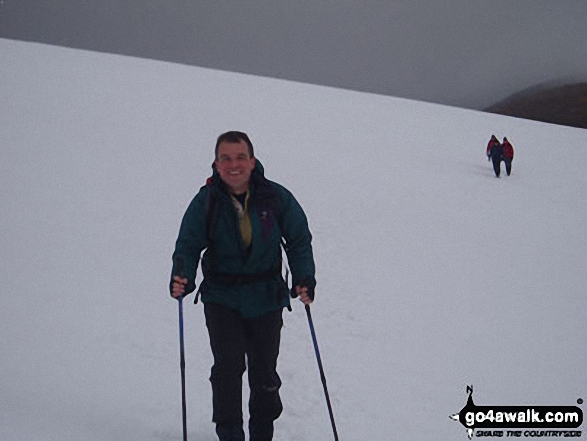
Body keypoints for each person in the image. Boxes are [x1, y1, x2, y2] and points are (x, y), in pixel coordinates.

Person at [170, 131, 316, 441]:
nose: (233, 164)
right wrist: (182, 274)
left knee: (264, 373)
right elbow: (188, 243)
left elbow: (299, 239)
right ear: (216, 163)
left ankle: (262, 434)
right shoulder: (206, 201)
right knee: (228, 368)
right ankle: (231, 435)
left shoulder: (275, 197)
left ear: (252, 161)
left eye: (239, 157)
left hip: (266, 296)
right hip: (222, 296)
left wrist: (304, 278)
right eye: (226, 158)